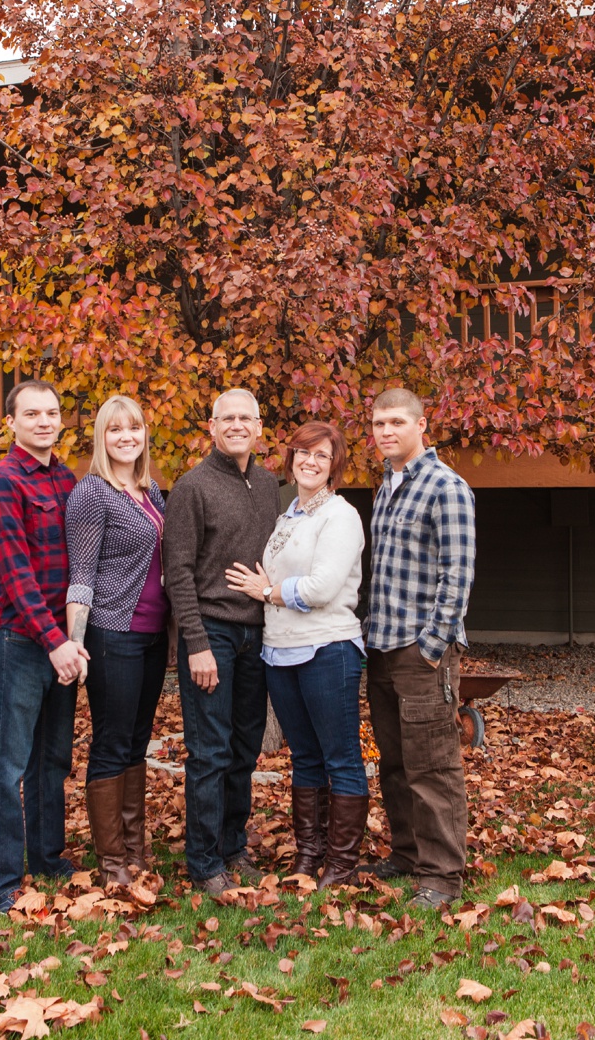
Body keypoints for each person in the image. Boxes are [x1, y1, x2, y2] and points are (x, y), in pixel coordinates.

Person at [224, 422, 368, 885]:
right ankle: (309, 853)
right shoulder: (288, 516)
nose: (310, 461)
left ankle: (341, 864)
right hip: (280, 653)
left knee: (340, 757)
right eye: (303, 453)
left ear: (334, 467)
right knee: (305, 757)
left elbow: (322, 588)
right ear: (291, 459)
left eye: (322, 456)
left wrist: (267, 592)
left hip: (328, 649)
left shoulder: (340, 516)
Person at [162, 388, 282, 895]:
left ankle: (234, 846)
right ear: (211, 427)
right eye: (225, 417)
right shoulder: (192, 486)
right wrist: (196, 644)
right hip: (211, 631)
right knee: (209, 751)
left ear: (259, 428)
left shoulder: (269, 482)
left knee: (243, 749)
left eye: (245, 418)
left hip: (259, 635)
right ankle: (205, 860)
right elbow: (179, 572)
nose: (236, 425)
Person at [0, 379, 88, 913]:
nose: (44, 421)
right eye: (32, 414)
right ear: (12, 423)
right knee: (7, 764)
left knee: (52, 760)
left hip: (61, 643)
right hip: (19, 640)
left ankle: (47, 858)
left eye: (52, 412)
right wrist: (54, 641)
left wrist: (72, 639)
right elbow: (15, 574)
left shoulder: (67, 480)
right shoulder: (2, 483)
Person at [363, 387, 476, 909]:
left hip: (421, 652)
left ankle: (442, 875)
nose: (386, 432)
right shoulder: (388, 485)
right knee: (395, 760)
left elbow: (458, 576)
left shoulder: (445, 487)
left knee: (432, 764)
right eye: (378, 423)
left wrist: (434, 645)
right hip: (382, 647)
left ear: (420, 424)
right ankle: (407, 854)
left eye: (395, 422)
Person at [63, 394, 171, 889]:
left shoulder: (151, 493)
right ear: (102, 439)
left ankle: (134, 847)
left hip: (150, 636)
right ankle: (111, 862)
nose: (127, 437)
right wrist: (76, 642)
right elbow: (81, 575)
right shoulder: (92, 492)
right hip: (112, 633)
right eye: (115, 429)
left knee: (136, 741)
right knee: (111, 743)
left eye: (135, 428)